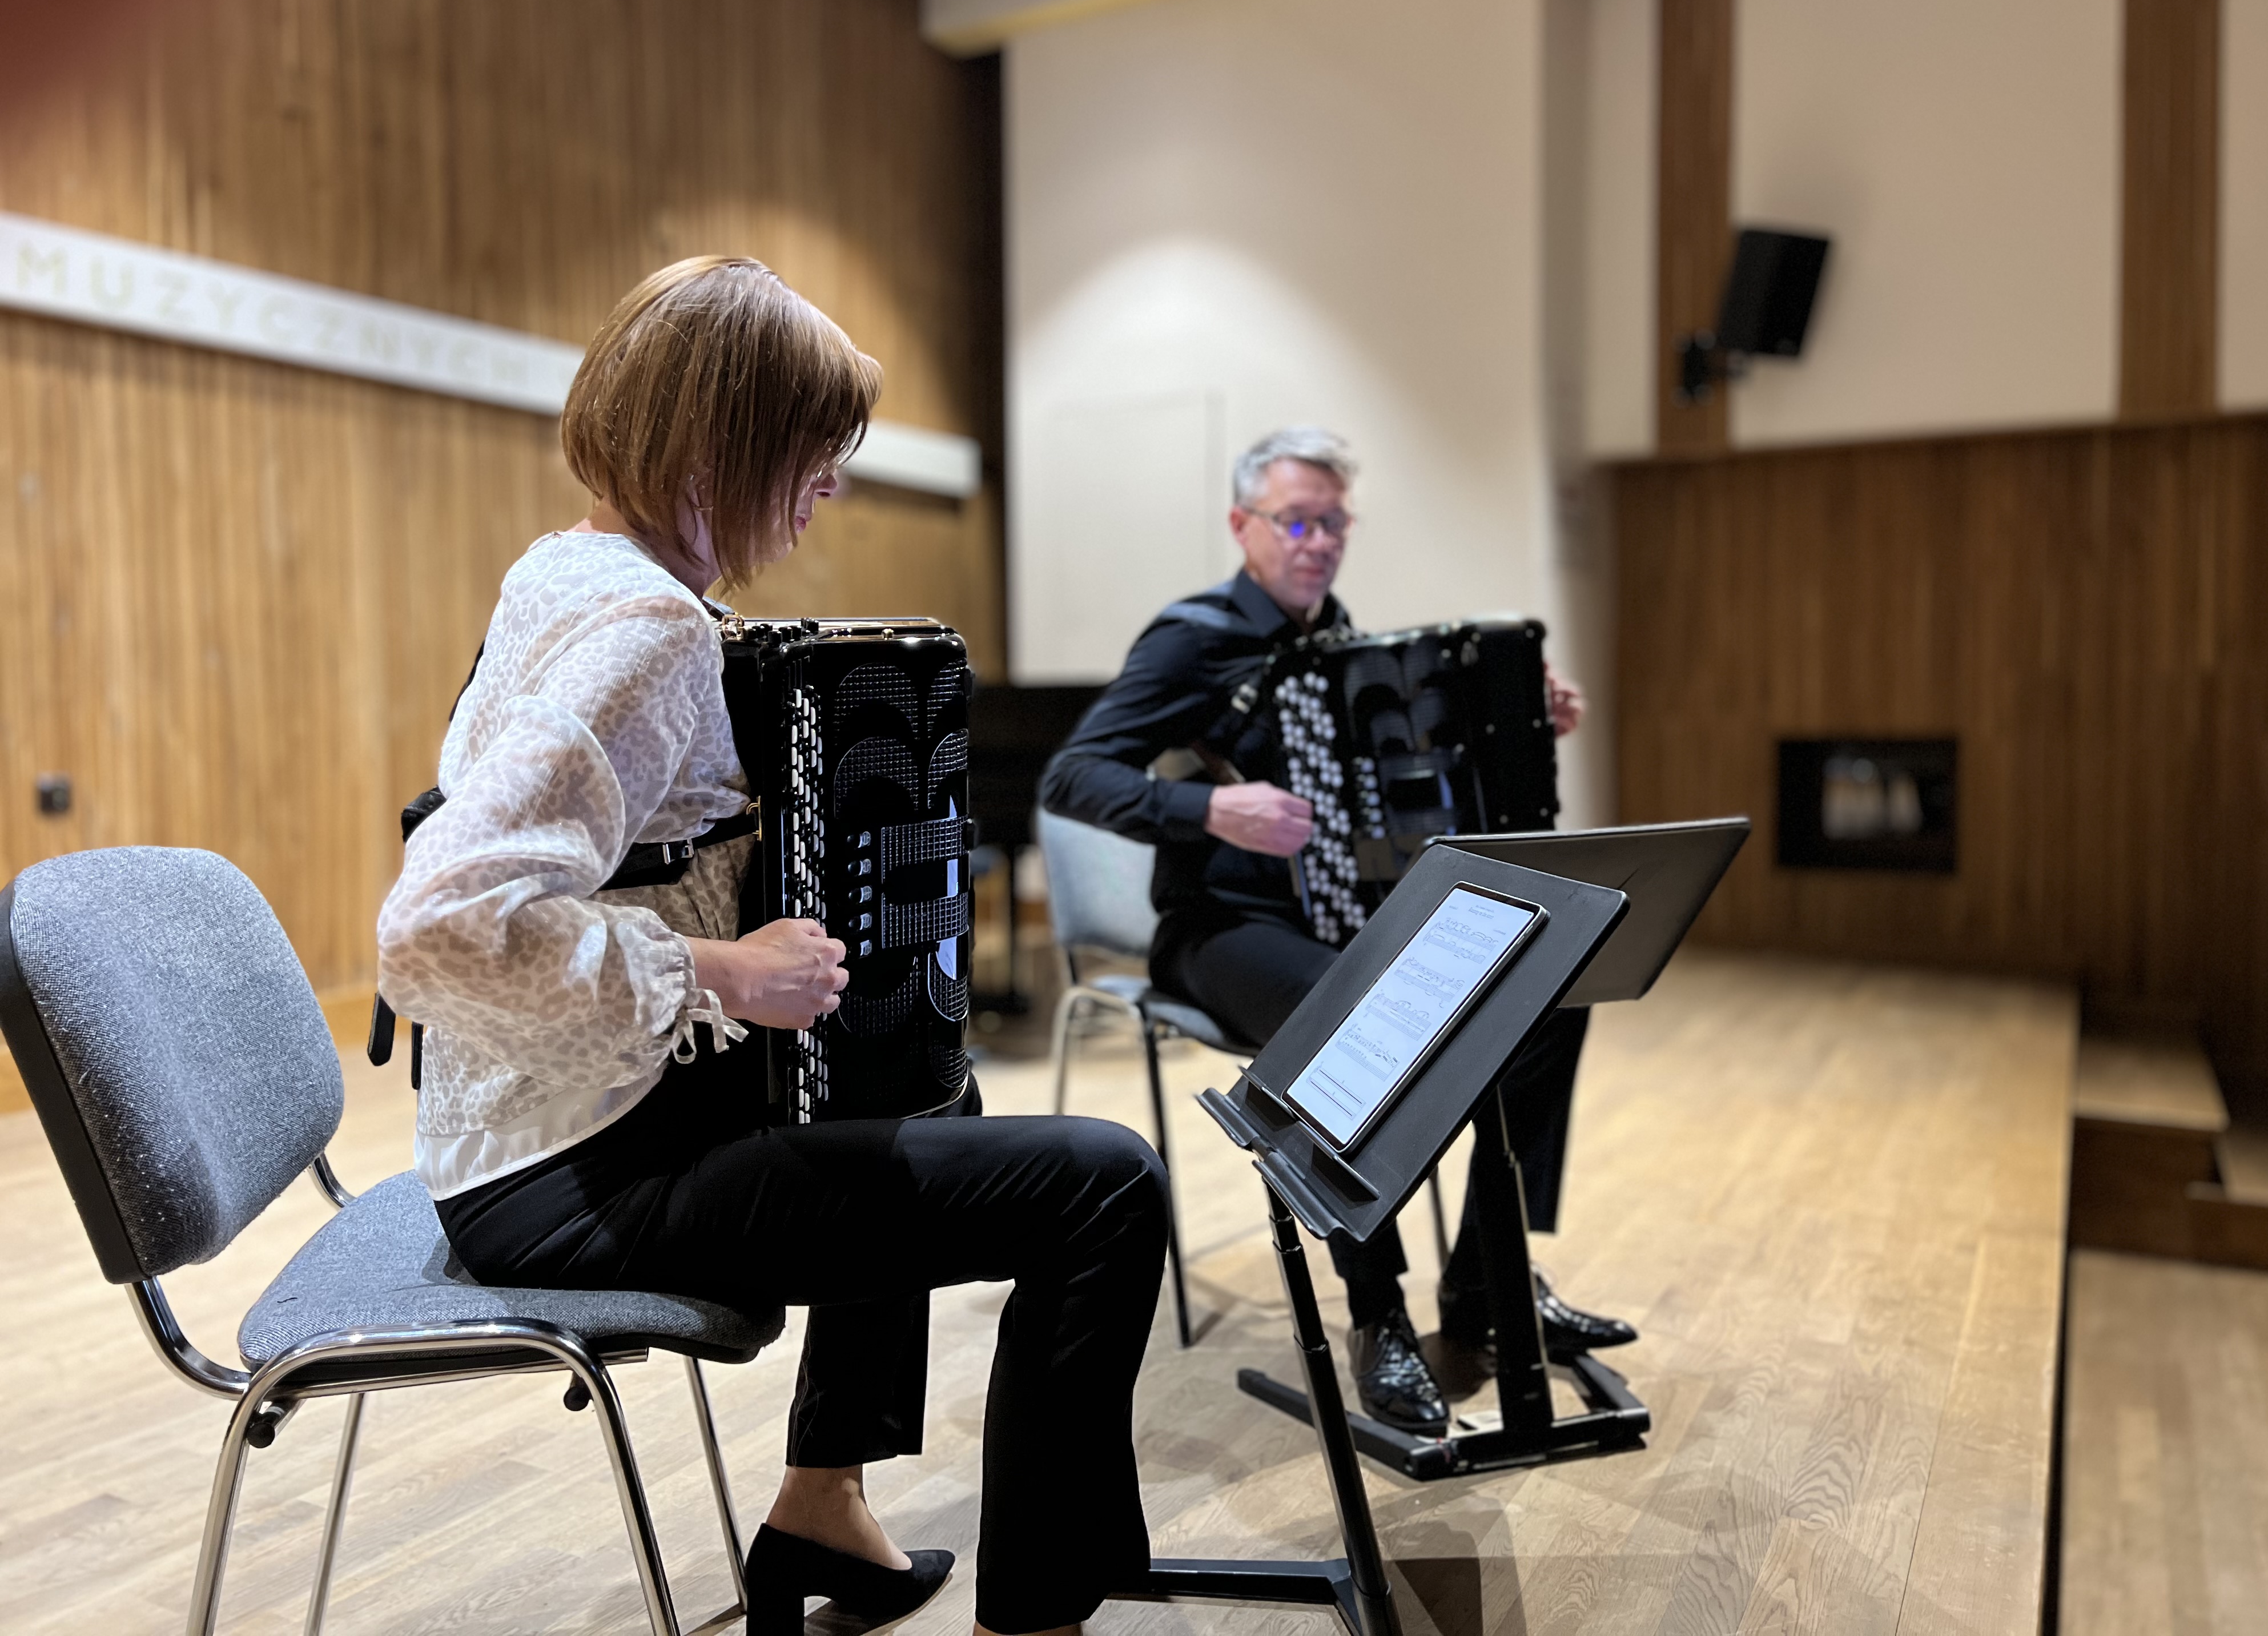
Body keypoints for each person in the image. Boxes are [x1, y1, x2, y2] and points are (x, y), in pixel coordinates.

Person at [377, 257, 1168, 1636]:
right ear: (718, 449)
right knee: (1107, 1187)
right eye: (812, 451)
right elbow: (436, 935)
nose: (832, 484)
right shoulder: (645, 626)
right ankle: (1037, 1618)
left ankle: (822, 1505)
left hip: (536, 1124)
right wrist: (719, 973)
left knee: (924, 1086)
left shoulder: (569, 564)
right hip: (575, 1172)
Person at [1039, 426, 1635, 1438]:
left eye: (1334, 523)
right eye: (1296, 523)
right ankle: (1376, 1312)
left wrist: (1525, 717)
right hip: (1219, 930)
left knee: (1546, 997)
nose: (1318, 543)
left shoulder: (1346, 641)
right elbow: (1072, 776)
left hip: (1343, 924)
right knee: (1363, 1016)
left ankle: (1485, 1287)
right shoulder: (1192, 640)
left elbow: (1412, 764)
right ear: (1244, 525)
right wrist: (1209, 810)